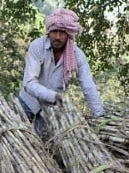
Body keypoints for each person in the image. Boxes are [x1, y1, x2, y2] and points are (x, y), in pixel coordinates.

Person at [17, 8, 105, 136]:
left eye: (62, 33)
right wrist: (55, 97)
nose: (57, 37)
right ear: (49, 31)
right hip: (27, 102)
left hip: (49, 111)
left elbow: (88, 87)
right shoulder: (37, 46)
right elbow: (29, 83)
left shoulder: (78, 56)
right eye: (54, 31)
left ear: (69, 34)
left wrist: (100, 116)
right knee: (16, 135)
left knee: (40, 143)